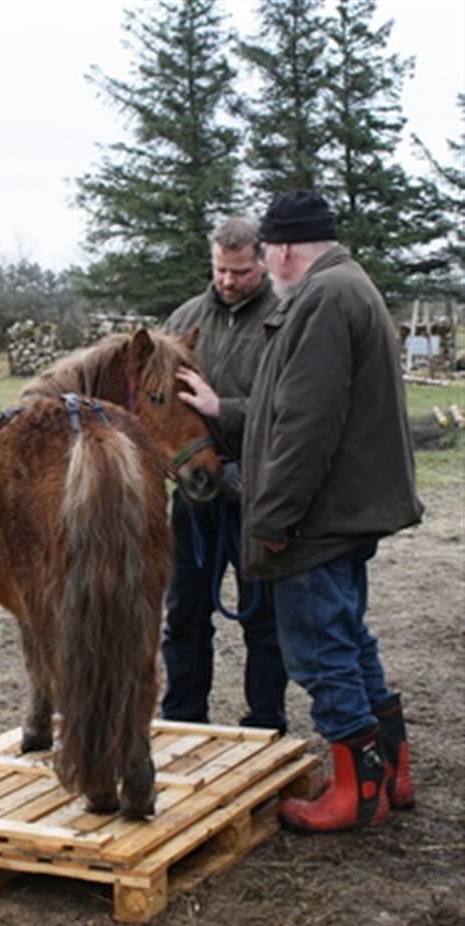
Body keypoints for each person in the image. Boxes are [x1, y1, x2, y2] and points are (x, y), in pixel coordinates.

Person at [178, 190, 422, 832]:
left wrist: (271, 519)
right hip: (342, 509)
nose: (261, 267)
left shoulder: (323, 298)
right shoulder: (347, 286)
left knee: (319, 650)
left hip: (318, 518)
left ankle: (354, 792)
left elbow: (305, 427)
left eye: (263, 254)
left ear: (282, 249)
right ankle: (390, 768)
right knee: (348, 636)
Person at [161, 217, 289, 732]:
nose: (228, 281)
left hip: (257, 492)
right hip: (194, 495)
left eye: (240, 272)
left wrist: (224, 409)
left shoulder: (286, 319)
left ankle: (266, 722)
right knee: (184, 614)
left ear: (263, 263)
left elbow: (294, 408)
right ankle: (182, 717)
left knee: (263, 617)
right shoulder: (184, 319)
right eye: (220, 269)